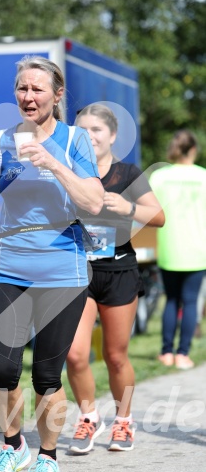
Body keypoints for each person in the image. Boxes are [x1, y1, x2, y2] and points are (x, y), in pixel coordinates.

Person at [0, 55, 104, 472]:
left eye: (37, 89)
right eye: (22, 88)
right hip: (10, 265)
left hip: (62, 269)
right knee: (2, 370)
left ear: (57, 94)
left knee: (47, 375)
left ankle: (48, 458)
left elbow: (93, 202)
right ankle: (13, 446)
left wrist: (51, 163)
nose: (28, 96)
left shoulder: (74, 140)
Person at [66, 103, 164, 454]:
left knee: (115, 355)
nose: (89, 136)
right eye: (82, 130)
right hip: (78, 271)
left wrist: (129, 209)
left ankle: (124, 421)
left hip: (119, 270)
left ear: (112, 136)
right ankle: (89, 417)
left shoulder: (127, 173)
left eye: (96, 130)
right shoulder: (68, 171)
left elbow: (159, 217)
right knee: (75, 355)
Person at [149, 130, 206, 369]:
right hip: (198, 249)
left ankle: (166, 353)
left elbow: (148, 212)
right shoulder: (204, 176)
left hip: (169, 247)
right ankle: (183, 354)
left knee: (171, 300)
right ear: (193, 150)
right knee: (191, 302)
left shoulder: (159, 177)